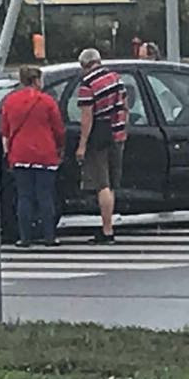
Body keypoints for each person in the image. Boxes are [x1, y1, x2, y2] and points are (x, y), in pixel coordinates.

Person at [0, 65, 65, 247]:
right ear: (36, 80)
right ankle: (49, 236)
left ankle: (24, 237)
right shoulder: (47, 101)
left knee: (24, 196)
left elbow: (5, 130)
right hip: (45, 153)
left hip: (20, 154)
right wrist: (60, 147)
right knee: (45, 196)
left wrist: (8, 152)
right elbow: (58, 129)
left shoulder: (10, 101)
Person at [75, 48, 128, 244]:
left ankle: (107, 230)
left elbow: (86, 118)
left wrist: (82, 145)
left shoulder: (87, 84)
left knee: (101, 184)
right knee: (112, 184)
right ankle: (109, 226)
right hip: (118, 134)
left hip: (99, 139)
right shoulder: (116, 78)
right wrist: (123, 129)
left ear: (84, 65)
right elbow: (125, 106)